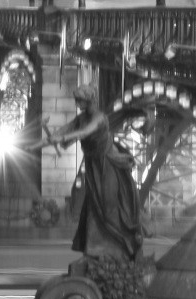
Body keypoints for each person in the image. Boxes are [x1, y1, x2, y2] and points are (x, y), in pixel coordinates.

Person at [43, 83, 142, 261]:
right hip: (93, 165)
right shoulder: (81, 118)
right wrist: (35, 144)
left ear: (89, 99)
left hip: (108, 164)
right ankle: (94, 250)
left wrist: (61, 138)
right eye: (76, 100)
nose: (77, 103)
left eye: (80, 100)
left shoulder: (99, 117)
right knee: (94, 207)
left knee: (108, 205)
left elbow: (84, 132)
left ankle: (122, 247)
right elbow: (63, 131)